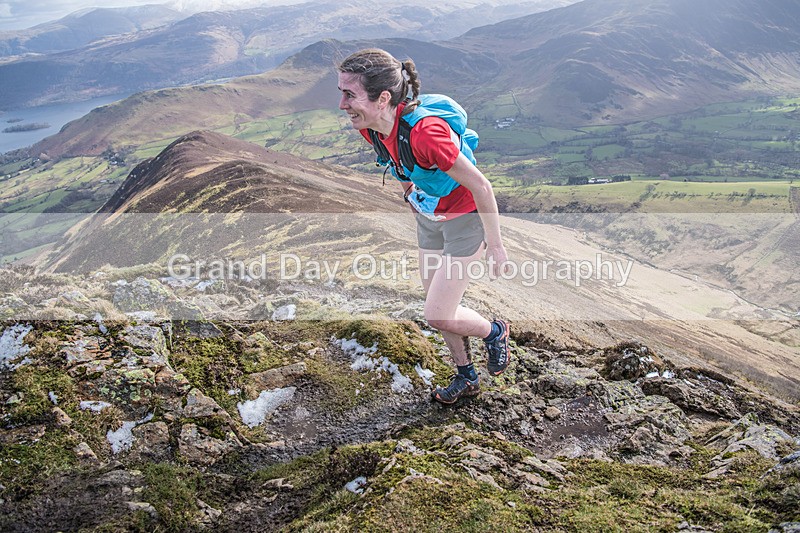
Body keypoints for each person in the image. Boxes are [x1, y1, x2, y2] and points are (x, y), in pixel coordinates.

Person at [337, 48, 511, 404]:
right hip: (430, 218)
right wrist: (411, 196)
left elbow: (481, 186)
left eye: (349, 94)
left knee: (436, 314)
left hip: (465, 218)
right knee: (438, 307)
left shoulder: (427, 133)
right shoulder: (370, 127)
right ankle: (466, 376)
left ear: (383, 97)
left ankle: (494, 331)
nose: (342, 104)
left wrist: (495, 246)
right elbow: (394, 161)